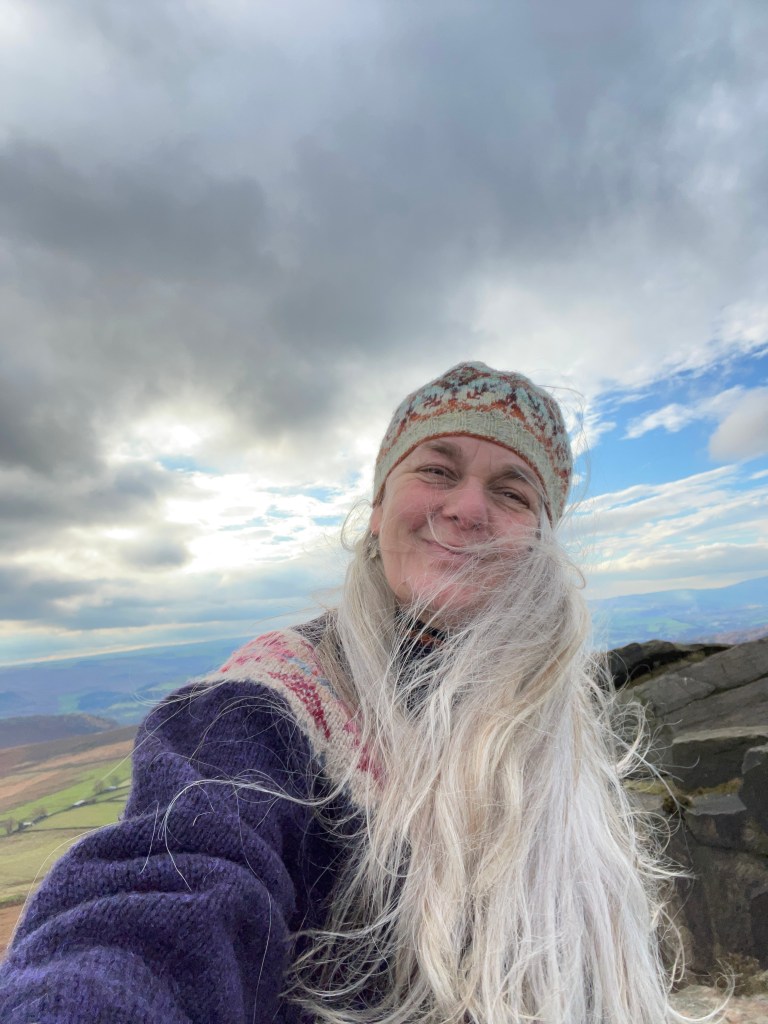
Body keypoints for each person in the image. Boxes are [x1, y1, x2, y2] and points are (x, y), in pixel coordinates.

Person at [0, 362, 691, 1024]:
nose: (467, 508)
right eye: (437, 470)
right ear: (378, 508)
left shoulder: (558, 727)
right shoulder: (264, 707)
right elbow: (163, 901)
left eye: (512, 492)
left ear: (541, 541)